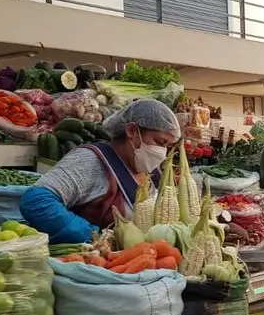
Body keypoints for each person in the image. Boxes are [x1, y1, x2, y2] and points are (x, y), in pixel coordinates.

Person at [20, 99, 180, 243]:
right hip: (97, 265)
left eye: (167, 145)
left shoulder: (153, 172)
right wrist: (94, 236)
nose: (162, 151)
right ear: (131, 131)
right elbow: (36, 201)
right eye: (159, 142)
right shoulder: (90, 161)